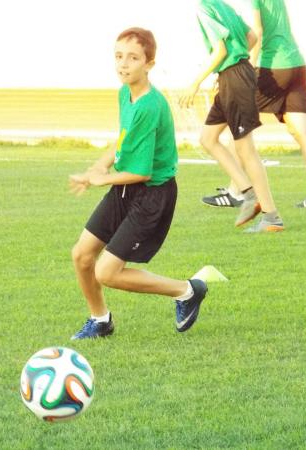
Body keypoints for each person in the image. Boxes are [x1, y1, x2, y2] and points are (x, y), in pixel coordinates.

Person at [68, 27, 207, 340]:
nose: (124, 64)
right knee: (82, 255)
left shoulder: (150, 105)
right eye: (119, 56)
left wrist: (99, 179)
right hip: (125, 190)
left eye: (133, 58)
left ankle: (187, 291)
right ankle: (100, 320)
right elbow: (123, 141)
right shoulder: (125, 93)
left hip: (152, 195)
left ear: (149, 64)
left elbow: (141, 172)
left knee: (107, 272)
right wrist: (99, 166)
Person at [202, 0, 306, 210]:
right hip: (296, 64)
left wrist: (247, 67)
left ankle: (236, 191)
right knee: (301, 130)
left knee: (239, 125)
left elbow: (257, 31)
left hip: (272, 67)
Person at [180, 0, 284, 232]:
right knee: (208, 138)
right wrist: (230, 67)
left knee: (245, 149)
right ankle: (248, 194)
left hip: (234, 77)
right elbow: (252, 39)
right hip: (234, 75)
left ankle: (271, 217)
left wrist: (195, 84)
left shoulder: (204, 7)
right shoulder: (223, 6)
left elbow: (221, 50)